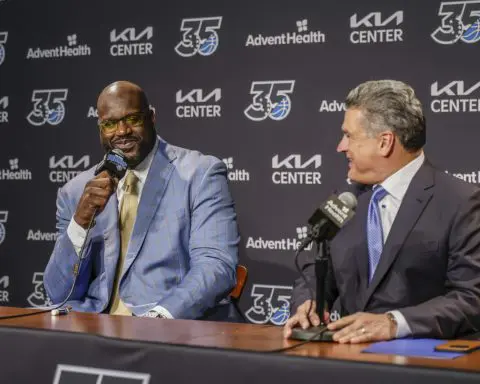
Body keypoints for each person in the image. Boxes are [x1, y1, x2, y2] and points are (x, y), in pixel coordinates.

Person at [284, 80, 480, 342]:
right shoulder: (344, 199)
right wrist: (308, 303)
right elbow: (315, 270)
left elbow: (471, 297)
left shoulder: (461, 201)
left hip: (422, 363)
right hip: (344, 358)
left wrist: (394, 323)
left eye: (349, 136)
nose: (340, 146)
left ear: (385, 142)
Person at [44, 80, 240, 321]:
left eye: (133, 119)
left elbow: (215, 266)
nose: (122, 131)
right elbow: (58, 292)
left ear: (152, 117)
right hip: (96, 330)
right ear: (100, 127)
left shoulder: (199, 174)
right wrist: (81, 222)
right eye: (110, 124)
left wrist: (159, 318)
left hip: (169, 327)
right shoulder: (76, 192)